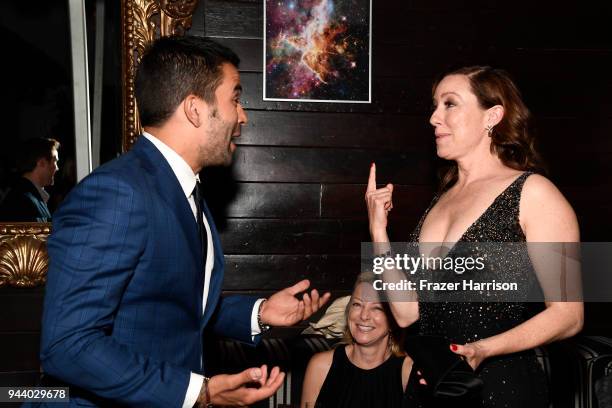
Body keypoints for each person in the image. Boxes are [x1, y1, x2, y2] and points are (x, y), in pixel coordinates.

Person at [33, 36, 330, 408]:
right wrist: (198, 393)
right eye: (235, 98)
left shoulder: (182, 188)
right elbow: (68, 345)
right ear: (194, 109)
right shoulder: (117, 193)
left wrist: (259, 313)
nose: (243, 115)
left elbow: (168, 302)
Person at [365, 66, 584, 407]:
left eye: (450, 104)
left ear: (492, 116)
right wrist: (379, 231)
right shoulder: (443, 198)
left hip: (498, 386)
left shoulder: (534, 193)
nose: (434, 118)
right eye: (435, 106)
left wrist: (483, 349)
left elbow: (568, 315)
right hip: (433, 387)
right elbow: (407, 314)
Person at [301, 272, 423, 408]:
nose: (364, 316)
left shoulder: (408, 370)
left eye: (377, 308)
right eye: (357, 305)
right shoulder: (321, 366)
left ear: (394, 320)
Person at [0, 137, 59, 222]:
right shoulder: (22, 201)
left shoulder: (27, 197)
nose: (57, 168)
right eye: (55, 161)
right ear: (41, 162)